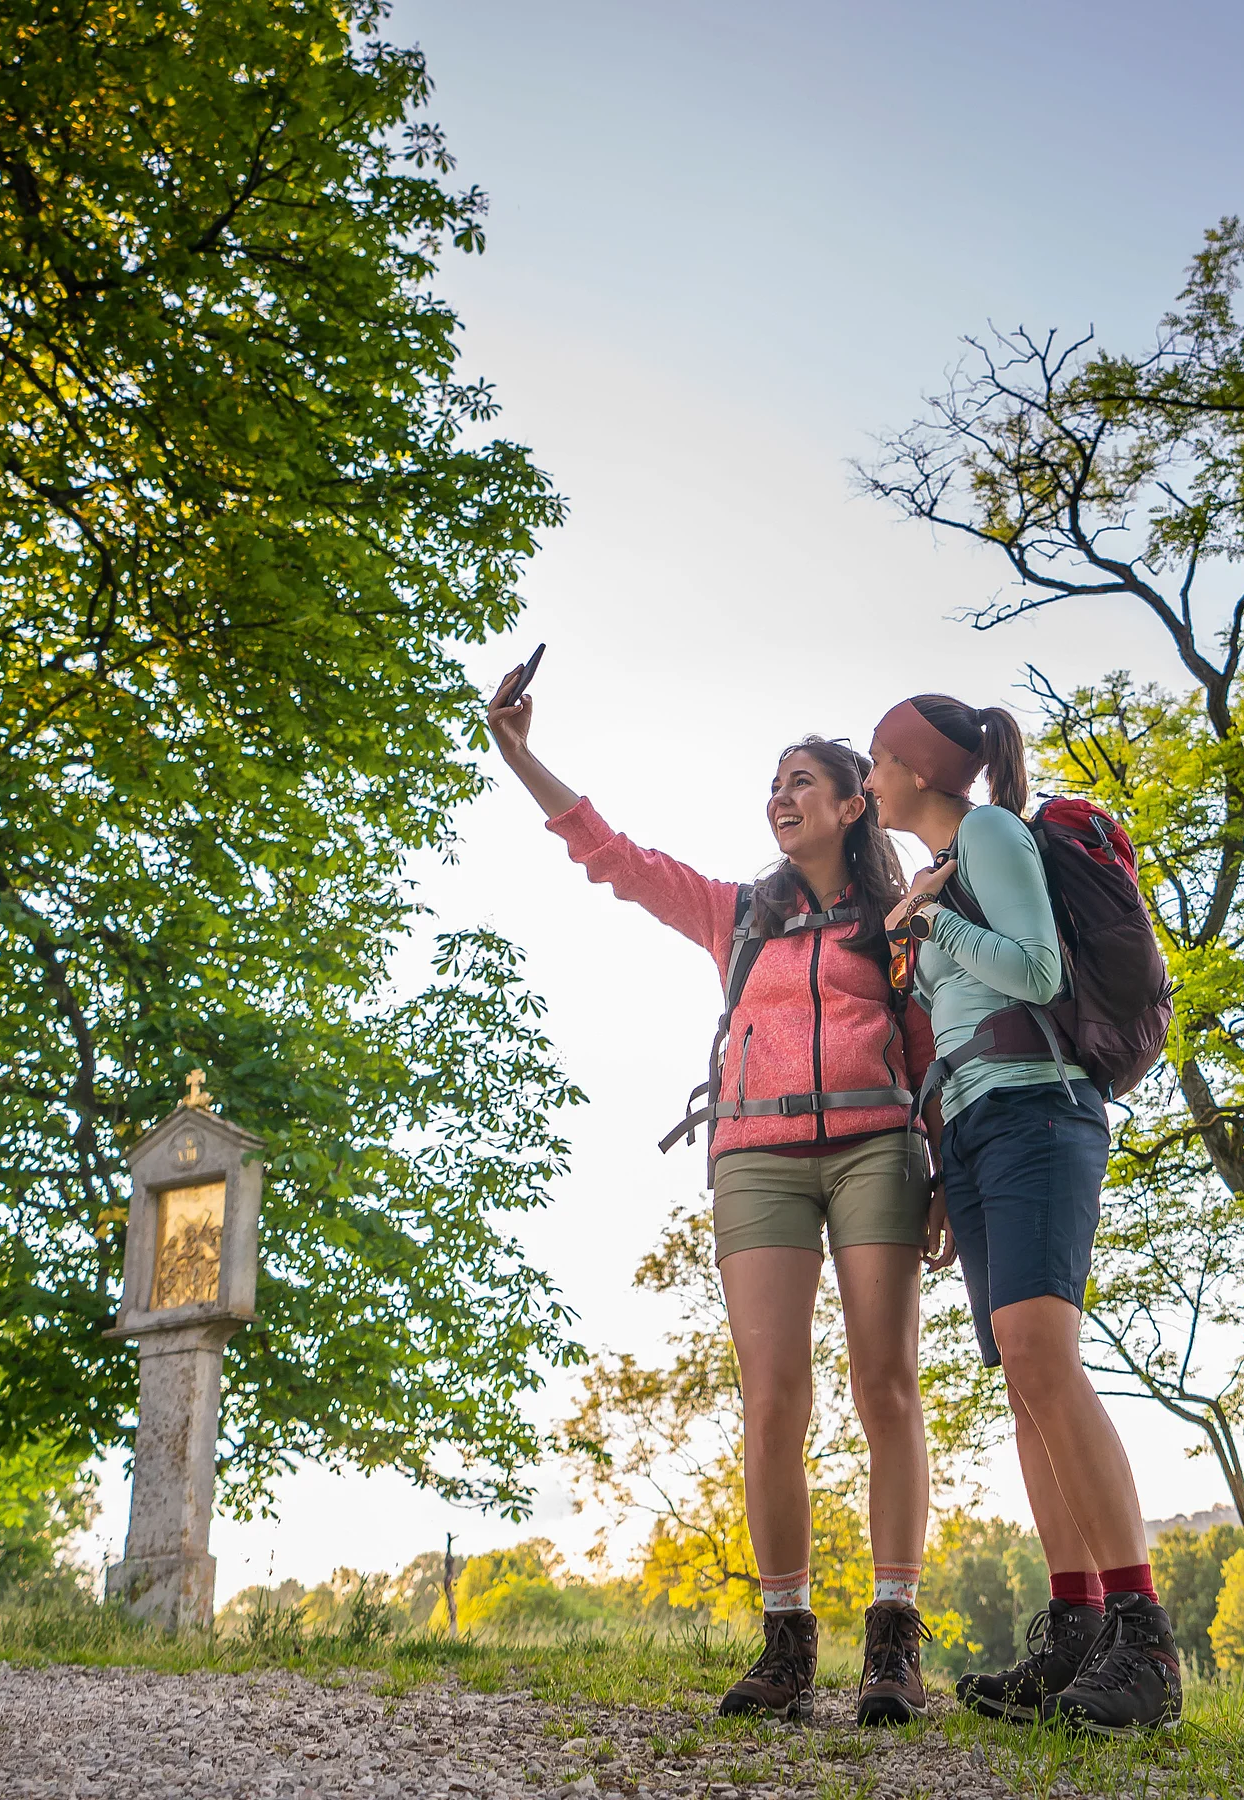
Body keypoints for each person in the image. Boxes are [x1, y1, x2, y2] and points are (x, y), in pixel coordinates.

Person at [487, 662, 942, 1726]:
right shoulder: (737, 914)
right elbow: (618, 859)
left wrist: (946, 1185)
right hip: (755, 1160)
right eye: (770, 786)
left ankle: (893, 1641)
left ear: (852, 802)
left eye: (797, 782)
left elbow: (929, 1057)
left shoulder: (901, 919)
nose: (778, 799)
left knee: (887, 1386)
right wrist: (519, 755)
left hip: (879, 1148)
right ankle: (786, 1643)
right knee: (773, 1398)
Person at [866, 693, 1183, 1736]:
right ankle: (1076, 1630)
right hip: (975, 1127)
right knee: (1023, 1388)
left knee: (1046, 1361)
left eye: (876, 761)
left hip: (1041, 1111)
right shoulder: (944, 866)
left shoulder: (992, 831)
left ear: (918, 769)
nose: (869, 780)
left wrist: (936, 920)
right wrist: (941, 1164)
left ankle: (1144, 1642)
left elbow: (1038, 971)